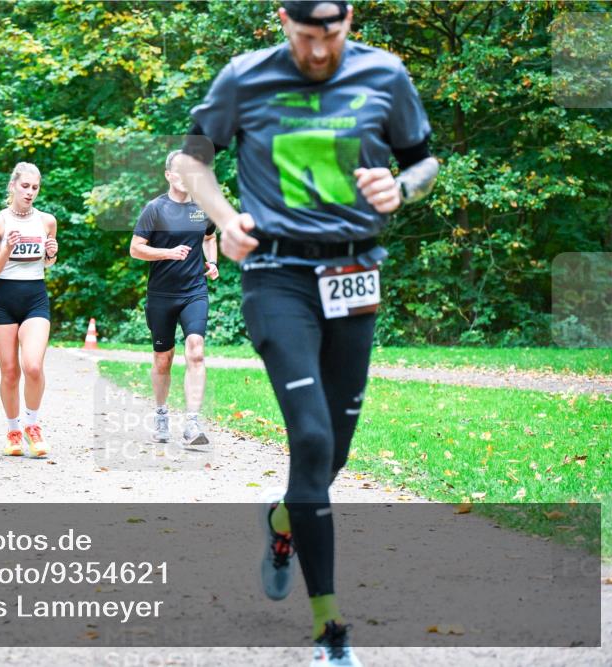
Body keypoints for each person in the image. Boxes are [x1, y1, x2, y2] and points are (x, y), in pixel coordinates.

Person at [174, 2, 439, 665]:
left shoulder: (385, 75)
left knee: (332, 455)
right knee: (312, 438)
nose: (319, 52)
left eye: (332, 36)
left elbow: (424, 162)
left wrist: (401, 188)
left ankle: (283, 518)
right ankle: (330, 626)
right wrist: (224, 218)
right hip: (277, 274)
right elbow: (193, 159)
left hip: (354, 272)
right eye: (304, 37)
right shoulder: (246, 77)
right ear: (280, 20)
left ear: (350, 20)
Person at [130, 150, 219, 446]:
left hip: (194, 291)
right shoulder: (155, 209)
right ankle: (161, 414)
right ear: (169, 175)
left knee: (196, 350)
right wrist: (167, 253)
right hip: (161, 295)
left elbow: (209, 237)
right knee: (162, 359)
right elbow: (136, 249)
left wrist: (212, 262)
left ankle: (192, 423)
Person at [0, 162, 58, 458]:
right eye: (25, 186)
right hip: (3, 300)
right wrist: (6, 249)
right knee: (10, 372)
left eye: (35, 187)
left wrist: (51, 254)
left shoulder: (47, 221)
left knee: (33, 366)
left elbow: (48, 261)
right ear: (13, 185)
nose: (30, 192)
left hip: (35, 298)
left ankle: (32, 426)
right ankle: (13, 432)